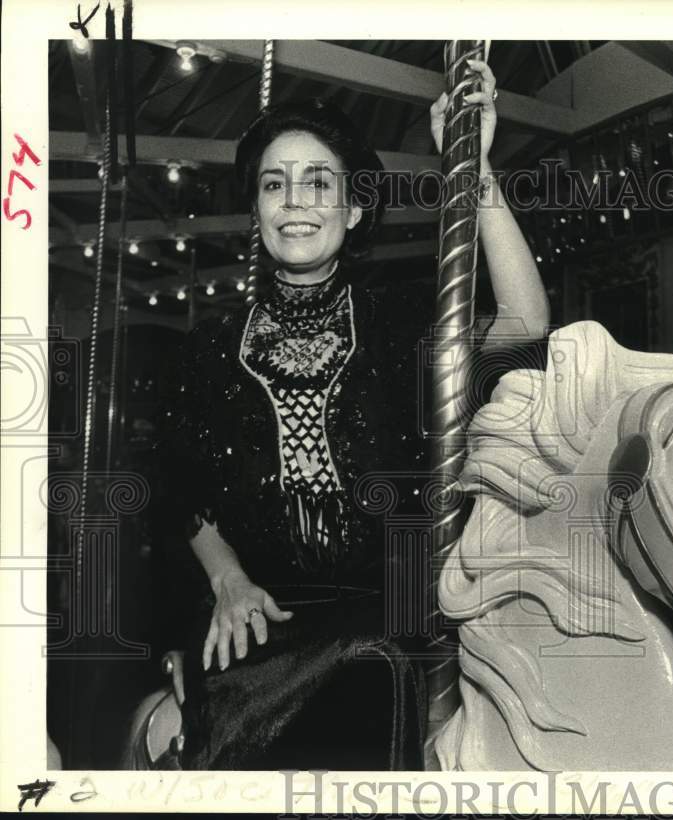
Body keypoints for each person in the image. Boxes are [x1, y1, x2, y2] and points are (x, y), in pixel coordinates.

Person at [158, 59, 549, 770]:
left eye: (318, 183)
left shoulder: (400, 323)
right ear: (257, 212)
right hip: (263, 617)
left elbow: (524, 323)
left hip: (388, 612)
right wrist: (228, 580)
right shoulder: (212, 348)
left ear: (354, 209)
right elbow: (182, 490)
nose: (294, 201)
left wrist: (478, 167)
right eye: (274, 185)